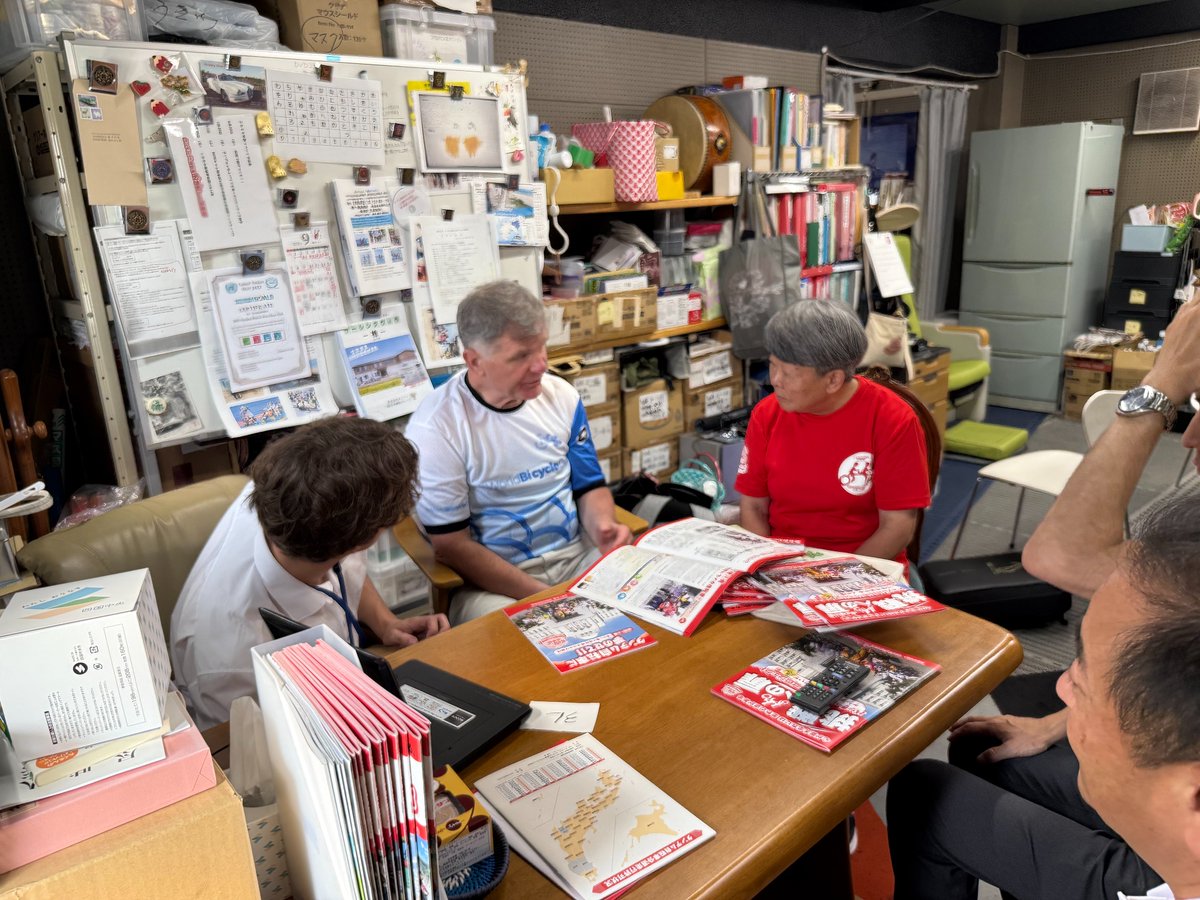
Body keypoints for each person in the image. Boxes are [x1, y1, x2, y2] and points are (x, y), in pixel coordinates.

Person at [887, 299, 1200, 900]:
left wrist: (1162, 384)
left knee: (928, 792)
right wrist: (1064, 722)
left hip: (1166, 864)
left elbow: (1062, 558)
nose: (1189, 437)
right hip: (1174, 794)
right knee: (985, 751)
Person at [170, 417, 450, 730]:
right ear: (368, 539)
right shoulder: (230, 661)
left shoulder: (290, 495)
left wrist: (386, 623)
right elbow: (249, 763)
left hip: (343, 678)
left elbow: (346, 565)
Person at [405, 280, 633, 624]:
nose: (541, 364)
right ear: (474, 361)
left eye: (541, 347)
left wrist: (603, 525)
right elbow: (451, 546)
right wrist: (546, 596)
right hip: (492, 585)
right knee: (526, 644)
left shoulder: (562, 397)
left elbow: (588, 486)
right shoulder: (437, 428)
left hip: (577, 558)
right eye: (521, 356)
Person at [735, 300, 930, 569]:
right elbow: (754, 507)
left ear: (833, 380)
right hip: (781, 566)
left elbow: (897, 527)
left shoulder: (892, 419)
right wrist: (766, 570)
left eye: (789, 373)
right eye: (772, 365)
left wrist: (832, 578)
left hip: (864, 567)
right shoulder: (767, 414)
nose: (775, 380)